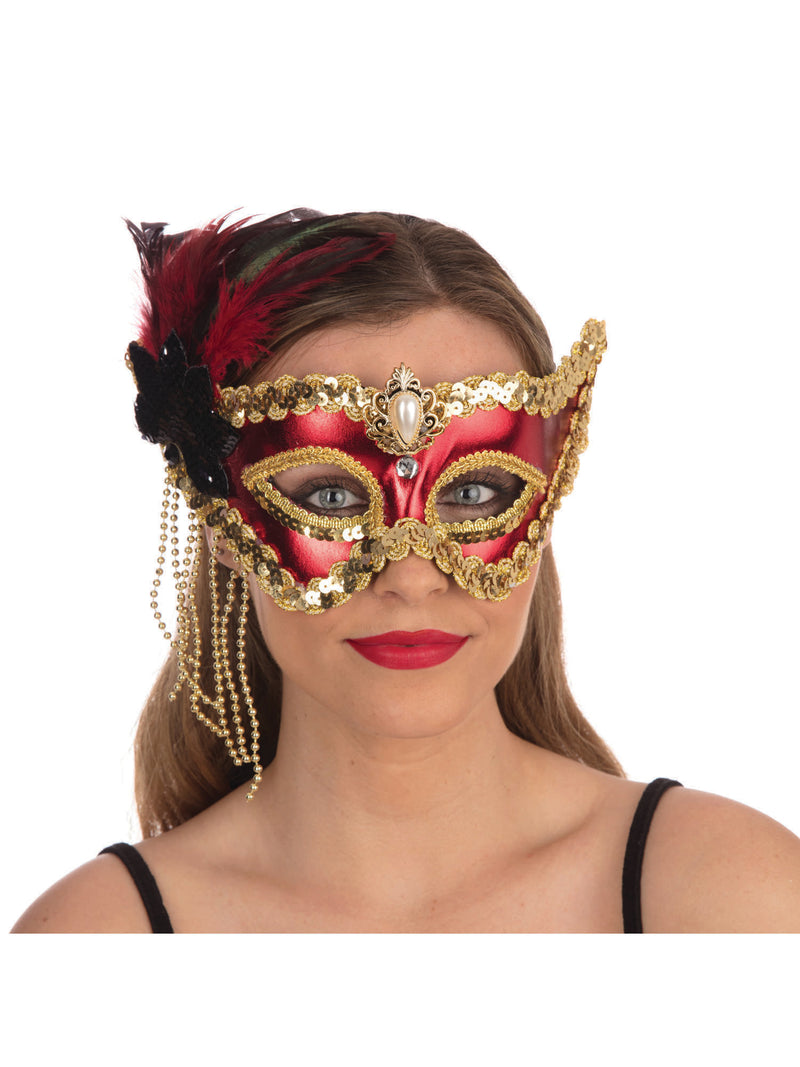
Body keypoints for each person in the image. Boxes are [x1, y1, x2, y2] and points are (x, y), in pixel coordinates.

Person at [12, 209, 800, 933]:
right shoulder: (95, 936)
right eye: (330, 494)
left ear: (545, 493)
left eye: (474, 491)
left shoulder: (730, 896)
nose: (412, 576)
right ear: (223, 518)